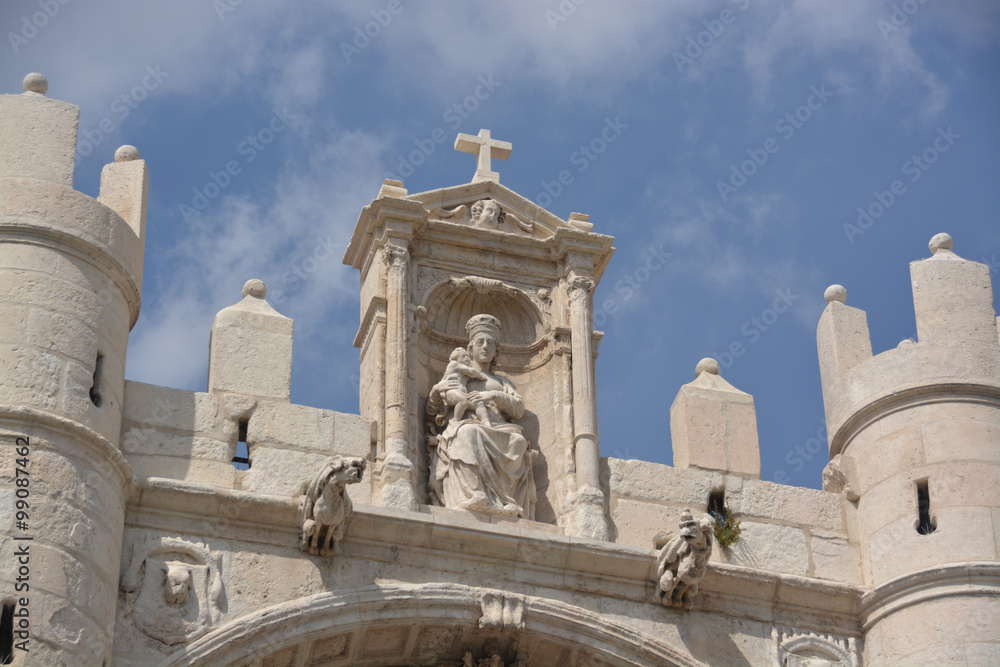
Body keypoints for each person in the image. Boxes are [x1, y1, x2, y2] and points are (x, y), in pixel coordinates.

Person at [427, 314, 536, 518]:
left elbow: (519, 409)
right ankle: (473, 493)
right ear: (470, 349)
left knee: (518, 442)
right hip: (468, 424)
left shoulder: (502, 382)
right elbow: (434, 411)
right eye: (480, 342)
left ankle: (506, 500)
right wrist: (435, 391)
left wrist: (494, 395)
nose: (485, 347)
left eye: (490, 343)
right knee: (468, 432)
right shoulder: (460, 375)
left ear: (496, 351)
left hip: (499, 429)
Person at [431, 347, 491, 426]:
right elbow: (471, 371)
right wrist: (479, 376)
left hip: (462, 393)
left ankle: (486, 422)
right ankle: (455, 421)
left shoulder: (462, 374)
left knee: (478, 403)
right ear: (455, 358)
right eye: (463, 356)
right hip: (452, 392)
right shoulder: (454, 364)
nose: (467, 358)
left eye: (467, 356)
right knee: (462, 401)